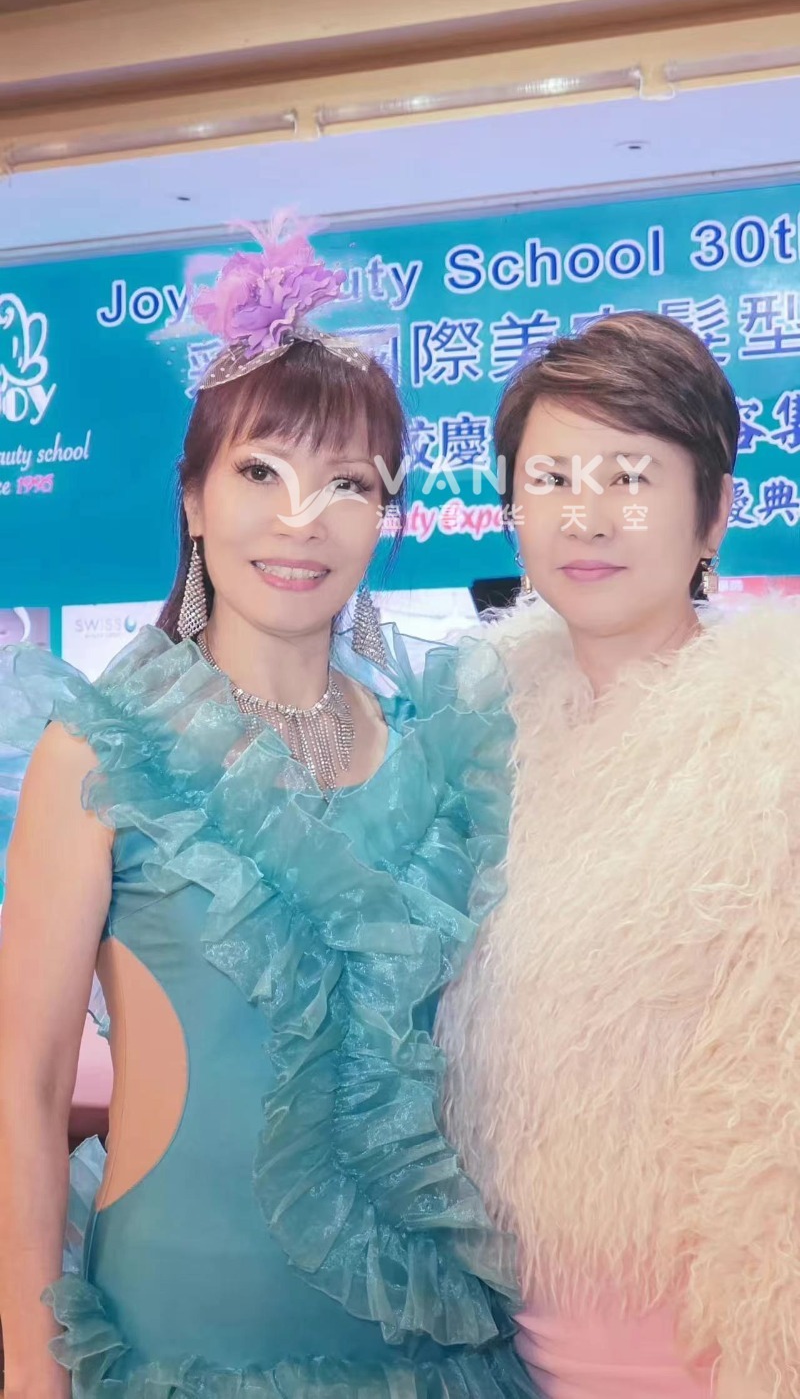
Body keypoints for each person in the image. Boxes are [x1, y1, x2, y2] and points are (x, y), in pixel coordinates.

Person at [0, 217, 531, 1399]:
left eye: (347, 482)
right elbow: (24, 1085)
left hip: (427, 1353)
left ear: (385, 514)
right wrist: (29, 1366)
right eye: (259, 472)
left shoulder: (434, 751)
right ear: (192, 499)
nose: (302, 518)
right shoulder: (101, 750)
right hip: (178, 1346)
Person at [437, 312, 800, 1399]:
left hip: (720, 1349)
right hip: (499, 1344)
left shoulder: (774, 740)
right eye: (551, 478)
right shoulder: (467, 734)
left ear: (714, 510)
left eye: (631, 476)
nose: (587, 514)